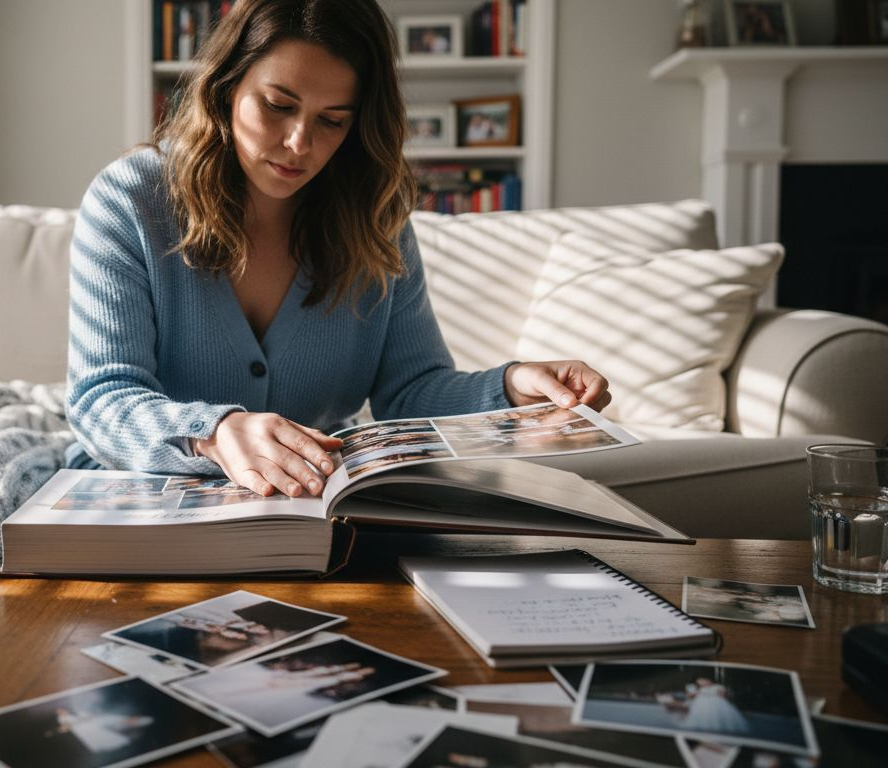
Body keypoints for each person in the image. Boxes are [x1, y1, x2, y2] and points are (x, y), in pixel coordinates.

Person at [66, 0, 611, 498]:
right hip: (146, 496)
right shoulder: (132, 200)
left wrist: (511, 386)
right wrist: (213, 434)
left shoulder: (375, 218)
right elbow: (102, 398)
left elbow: (411, 391)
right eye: (278, 105)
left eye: (332, 121)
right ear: (226, 86)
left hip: (315, 505)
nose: (299, 143)